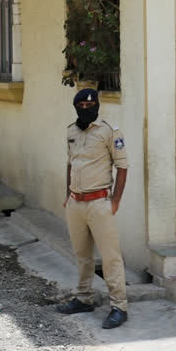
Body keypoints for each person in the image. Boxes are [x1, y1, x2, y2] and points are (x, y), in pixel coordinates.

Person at [57, 88, 129, 329]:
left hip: (100, 203)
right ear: (75, 107)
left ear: (97, 106)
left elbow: (122, 166)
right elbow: (70, 163)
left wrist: (116, 199)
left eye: (91, 106)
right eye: (81, 106)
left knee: (110, 257)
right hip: (76, 203)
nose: (86, 110)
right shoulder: (70, 131)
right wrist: (68, 194)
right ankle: (84, 297)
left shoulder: (109, 132)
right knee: (82, 255)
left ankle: (119, 306)